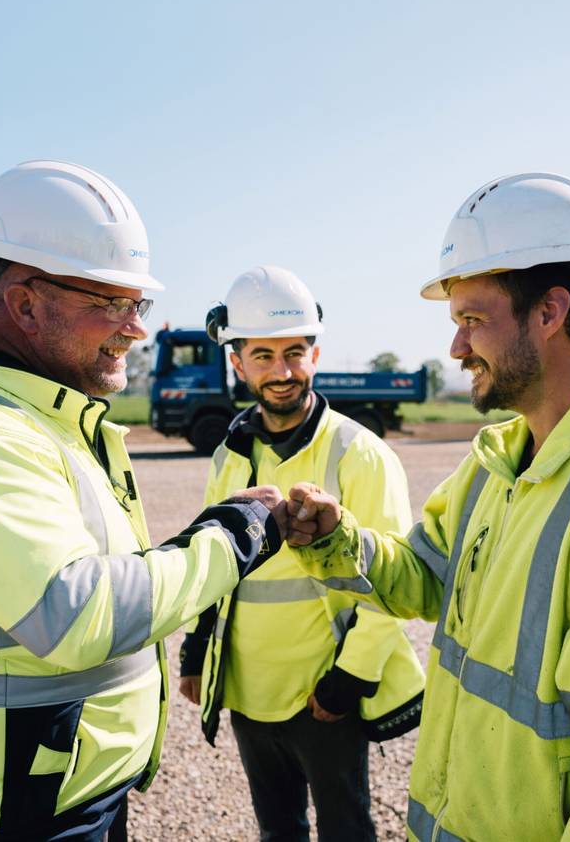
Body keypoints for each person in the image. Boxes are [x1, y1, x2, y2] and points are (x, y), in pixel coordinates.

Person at [281, 173, 570, 841]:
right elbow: (426, 577)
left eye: (472, 321)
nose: (456, 348)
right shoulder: (497, 462)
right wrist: (336, 536)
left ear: (549, 312)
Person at [0, 160, 285, 841]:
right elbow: (76, 613)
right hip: (0, 812)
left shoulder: (35, 413)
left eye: (138, 306)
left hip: (52, 786)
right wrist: (235, 536)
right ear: (26, 304)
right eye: (111, 304)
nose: (135, 330)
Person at [177, 265, 425, 842]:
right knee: (278, 831)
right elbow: (212, 558)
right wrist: (196, 648)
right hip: (248, 689)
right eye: (263, 355)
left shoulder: (359, 453)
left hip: (322, 695)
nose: (282, 371)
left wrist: (349, 680)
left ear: (315, 354)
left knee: (346, 831)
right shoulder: (229, 455)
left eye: (294, 353)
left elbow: (392, 580)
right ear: (237, 363)